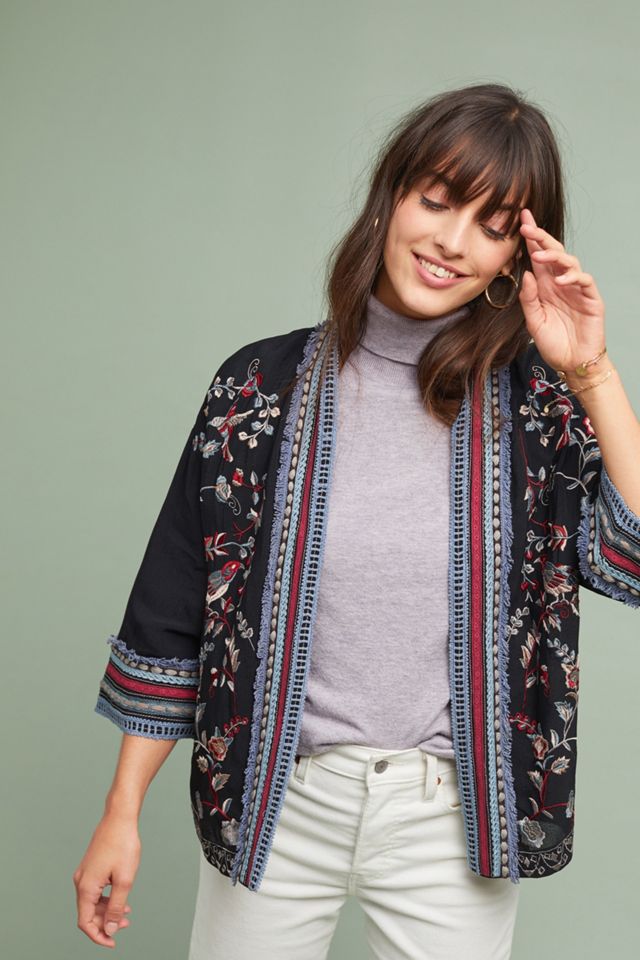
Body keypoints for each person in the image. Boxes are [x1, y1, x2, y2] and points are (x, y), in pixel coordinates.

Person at [73, 82, 640, 958]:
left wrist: (593, 372)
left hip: (449, 822)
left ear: (516, 258)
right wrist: (121, 813)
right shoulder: (258, 389)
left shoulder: (536, 409)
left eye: (491, 225)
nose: (452, 242)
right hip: (274, 801)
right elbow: (174, 605)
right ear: (391, 196)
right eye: (437, 201)